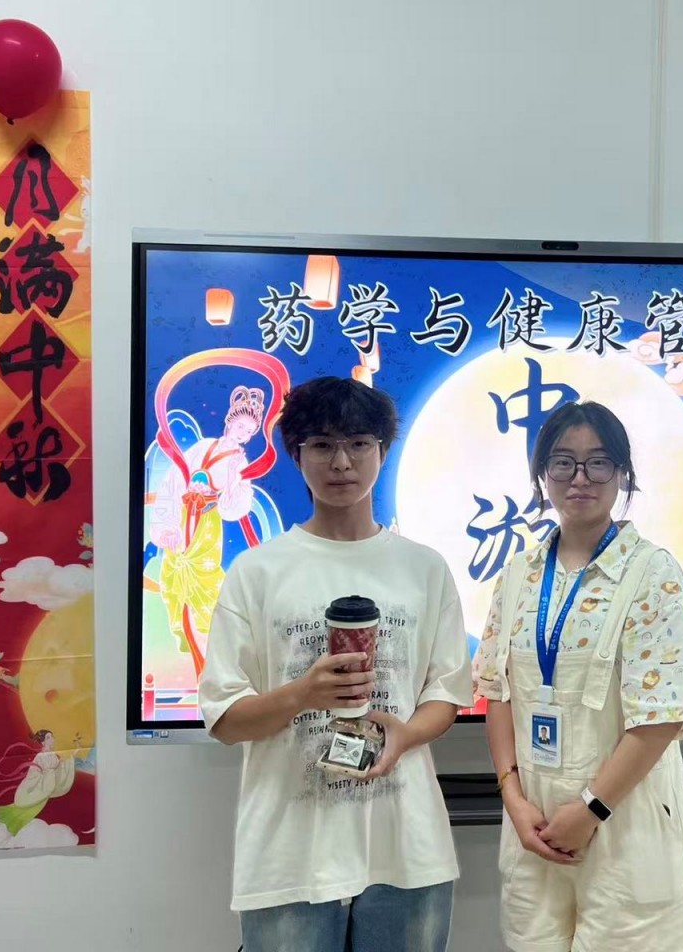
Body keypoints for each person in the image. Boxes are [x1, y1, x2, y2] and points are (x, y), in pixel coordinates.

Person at [199, 376, 474, 952]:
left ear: (382, 451)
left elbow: (445, 693)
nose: (342, 462)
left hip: (406, 850)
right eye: (322, 445)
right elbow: (224, 720)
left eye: (359, 444)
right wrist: (303, 693)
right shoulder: (257, 572)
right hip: (289, 856)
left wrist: (405, 735)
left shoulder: (424, 569)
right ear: (296, 454)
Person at [473, 400, 683, 952]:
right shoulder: (517, 574)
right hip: (533, 822)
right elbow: (498, 692)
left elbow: (662, 717)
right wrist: (512, 798)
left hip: (622, 819)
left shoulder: (652, 574)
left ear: (622, 473)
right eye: (563, 462)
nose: (580, 478)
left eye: (598, 462)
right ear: (542, 474)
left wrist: (591, 809)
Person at [151, 385, 265, 672]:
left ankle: (211, 652)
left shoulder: (240, 462)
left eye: (249, 432)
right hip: (182, 518)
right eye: (240, 426)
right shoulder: (202, 446)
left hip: (207, 526)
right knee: (173, 579)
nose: (242, 433)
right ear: (229, 421)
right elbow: (174, 481)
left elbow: (233, 509)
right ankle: (185, 644)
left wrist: (236, 479)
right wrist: (167, 525)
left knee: (205, 585)